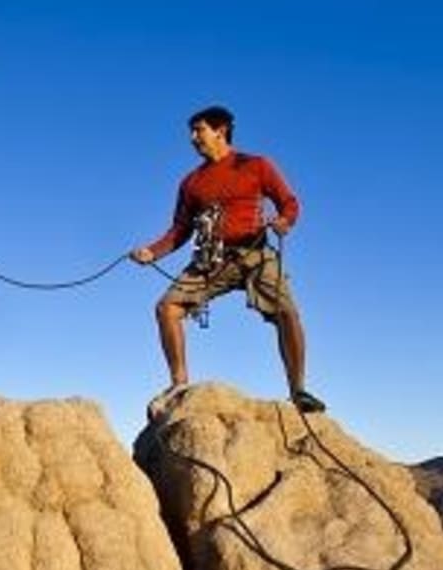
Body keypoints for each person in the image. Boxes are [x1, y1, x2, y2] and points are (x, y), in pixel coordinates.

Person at [130, 105, 326, 413]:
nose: (193, 138)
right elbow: (179, 230)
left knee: (287, 312)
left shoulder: (256, 165)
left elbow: (289, 202)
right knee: (167, 308)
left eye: (199, 130)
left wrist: (284, 222)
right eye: (192, 132)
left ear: (220, 131)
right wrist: (152, 252)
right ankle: (179, 384)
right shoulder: (191, 183)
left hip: (255, 253)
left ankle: (298, 390)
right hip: (212, 259)